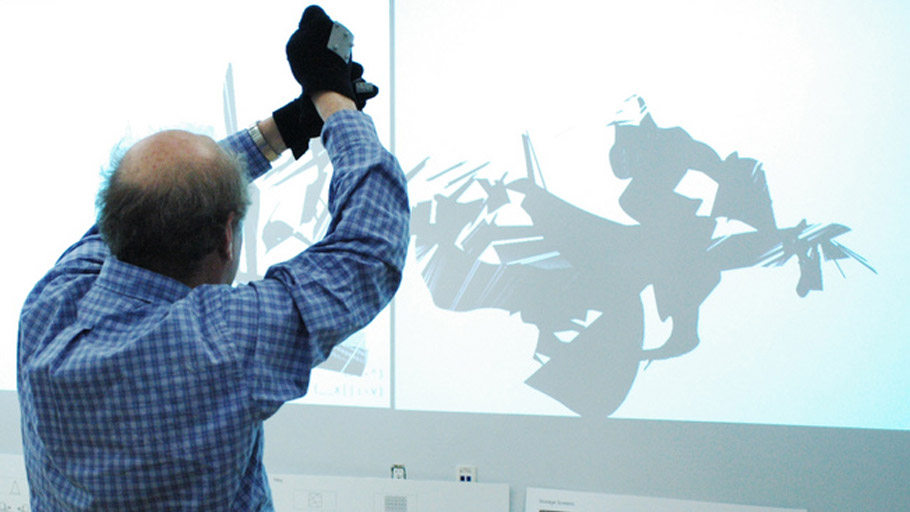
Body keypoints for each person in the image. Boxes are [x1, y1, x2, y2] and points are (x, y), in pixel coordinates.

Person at [16, 6, 409, 510]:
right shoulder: (224, 341)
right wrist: (335, 100)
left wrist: (290, 125)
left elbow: (149, 198)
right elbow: (369, 247)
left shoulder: (47, 309)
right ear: (228, 237)